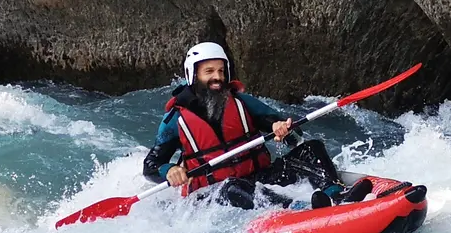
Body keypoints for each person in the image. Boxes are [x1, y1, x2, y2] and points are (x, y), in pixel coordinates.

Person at [141, 42, 353, 210]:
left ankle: (336, 194)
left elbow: (291, 134)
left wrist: (282, 129)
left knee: (312, 148)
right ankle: (299, 209)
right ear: (193, 75)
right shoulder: (175, 119)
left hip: (259, 176)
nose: (217, 77)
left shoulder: (241, 102)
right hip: (213, 194)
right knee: (232, 186)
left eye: (221, 71)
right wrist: (169, 170)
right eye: (209, 71)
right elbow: (151, 165)